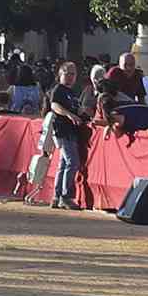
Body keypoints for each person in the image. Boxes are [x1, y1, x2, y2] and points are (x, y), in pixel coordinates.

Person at [47, 61, 86, 210]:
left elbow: (79, 110)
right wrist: (69, 115)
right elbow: (54, 105)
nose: (70, 77)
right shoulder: (59, 89)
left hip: (71, 131)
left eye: (73, 74)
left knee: (64, 164)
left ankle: (57, 196)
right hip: (63, 131)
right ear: (60, 74)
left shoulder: (72, 93)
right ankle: (66, 196)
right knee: (72, 162)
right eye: (67, 73)